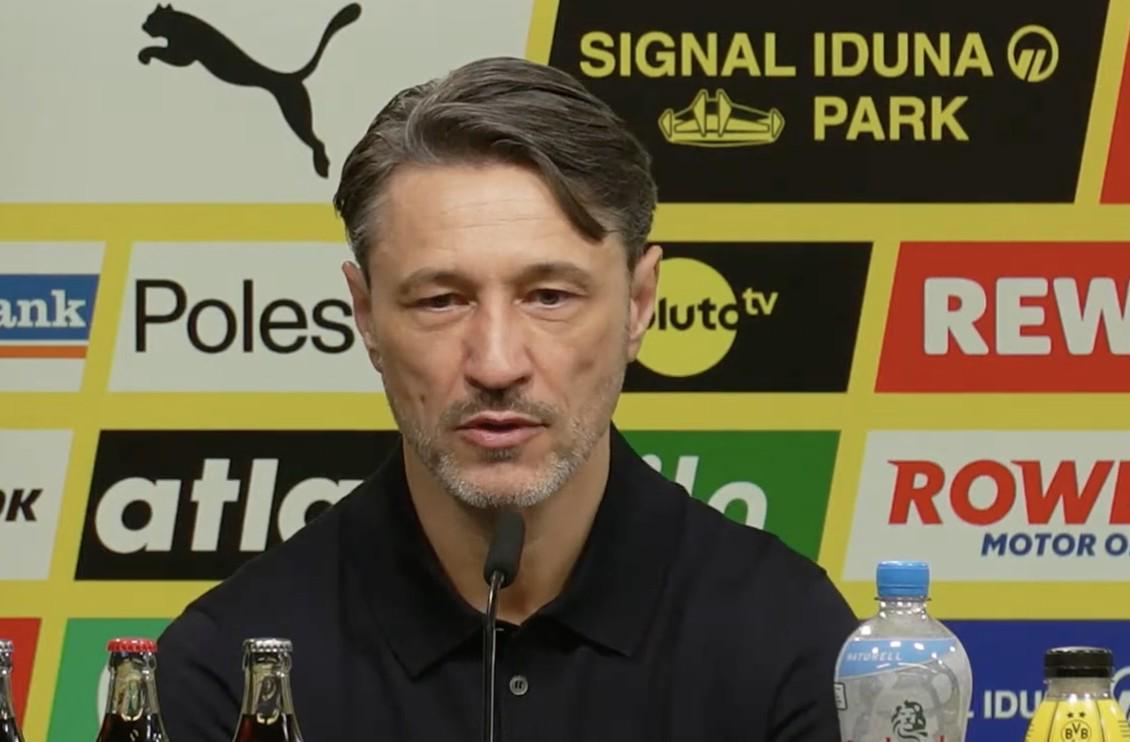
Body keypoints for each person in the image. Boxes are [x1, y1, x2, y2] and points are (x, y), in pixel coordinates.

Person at [155, 55, 858, 740]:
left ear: (639, 304)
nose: (496, 364)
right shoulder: (227, 677)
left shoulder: (791, 644)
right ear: (366, 317)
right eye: (441, 300)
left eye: (549, 296)